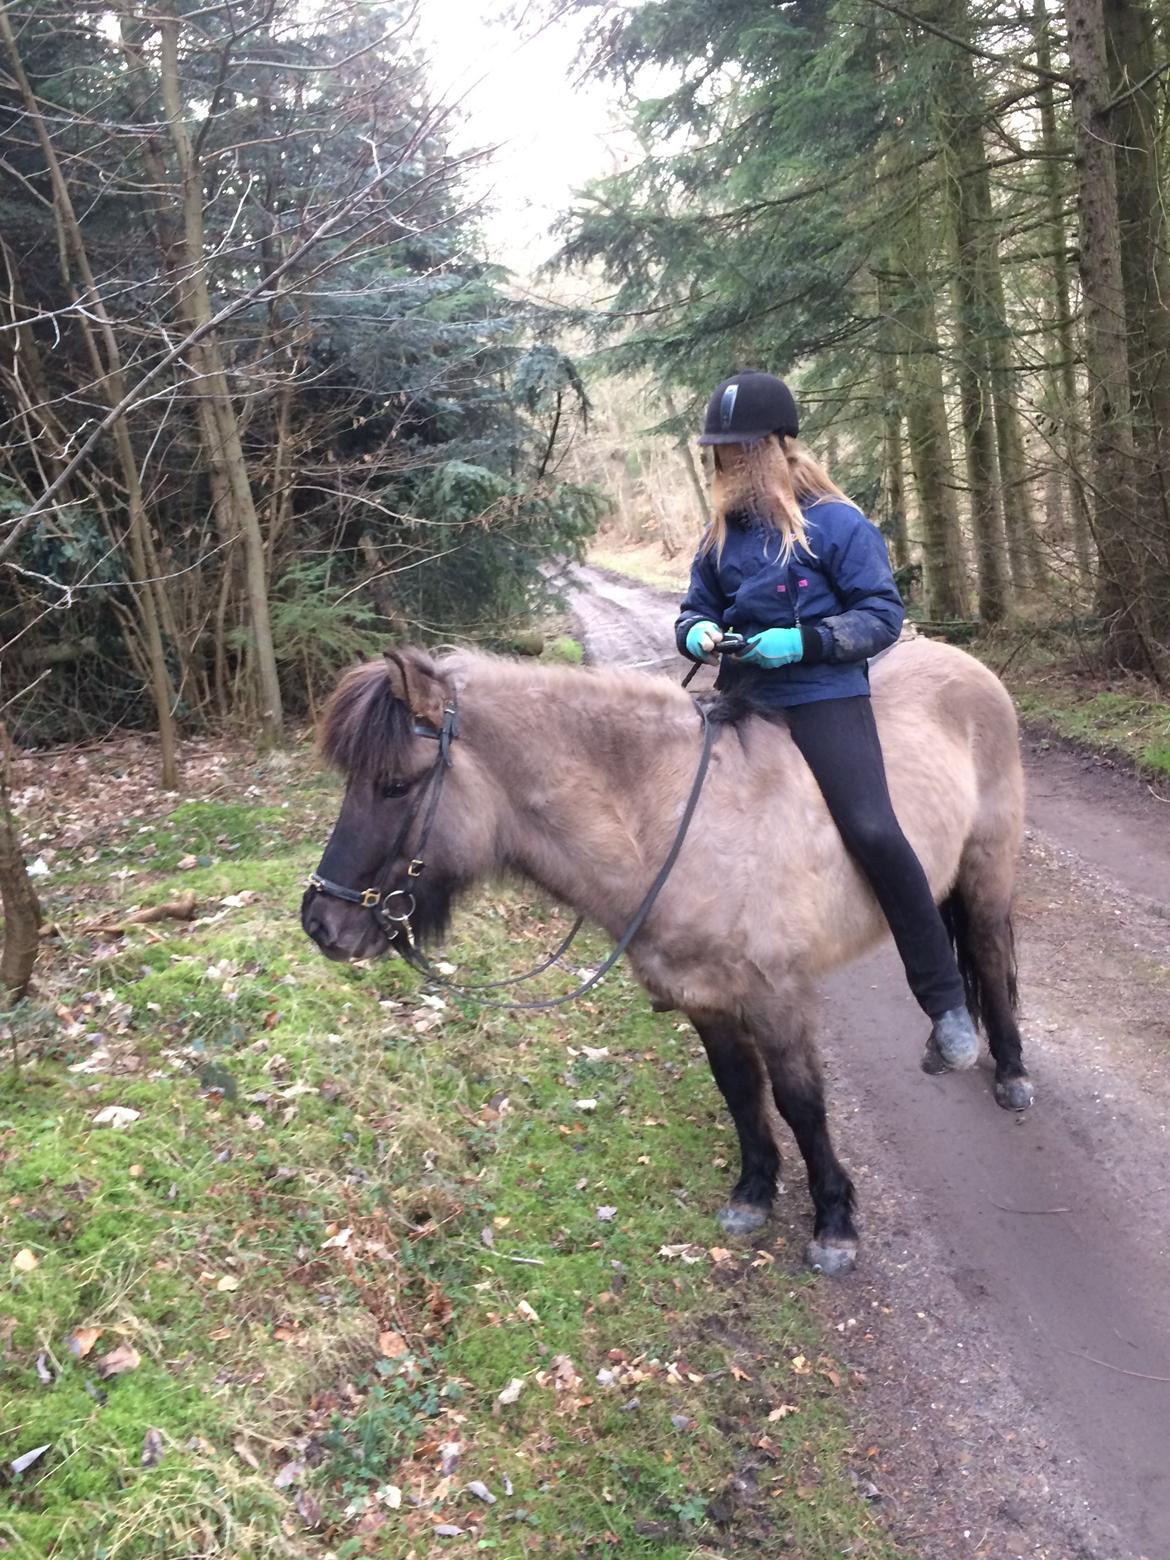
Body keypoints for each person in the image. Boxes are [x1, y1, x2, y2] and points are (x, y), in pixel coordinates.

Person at [675, 370, 979, 1073]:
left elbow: (882, 615)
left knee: (872, 828)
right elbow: (694, 608)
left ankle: (946, 1002)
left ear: (776, 448)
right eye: (721, 452)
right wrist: (696, 635)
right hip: (745, 696)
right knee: (696, 819)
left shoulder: (838, 525)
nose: (729, 462)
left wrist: (806, 641)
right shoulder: (719, 538)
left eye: (740, 450)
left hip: (823, 694)